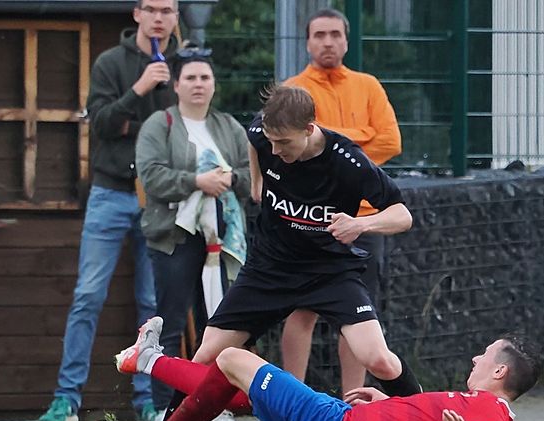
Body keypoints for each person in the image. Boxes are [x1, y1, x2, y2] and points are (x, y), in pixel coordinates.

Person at [156, 85, 421, 404]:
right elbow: (254, 137)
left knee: (377, 358)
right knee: (205, 355)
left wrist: (361, 224)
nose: (275, 150)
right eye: (271, 141)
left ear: (309, 129)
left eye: (283, 143)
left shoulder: (348, 161)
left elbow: (402, 215)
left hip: (329, 272)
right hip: (270, 268)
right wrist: (257, 182)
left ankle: (430, 417)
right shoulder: (264, 135)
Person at [94, 316, 542, 421]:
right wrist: (390, 404)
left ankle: (151, 383)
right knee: (244, 387)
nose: (475, 359)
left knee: (232, 358)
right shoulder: (480, 406)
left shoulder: (489, 412)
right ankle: (148, 377)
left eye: (484, 356)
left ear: (499, 371)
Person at [37, 0, 180, 421]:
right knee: (88, 296)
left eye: (168, 10)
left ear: (176, 17)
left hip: (159, 199)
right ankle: (66, 400)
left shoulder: (183, 67)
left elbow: (179, 131)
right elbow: (99, 124)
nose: (159, 17)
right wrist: (140, 89)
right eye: (152, 9)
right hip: (110, 193)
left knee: (152, 304)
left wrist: (130, 126)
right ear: (137, 14)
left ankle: (148, 401)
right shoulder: (110, 63)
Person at [280, 7, 403, 395]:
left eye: (335, 34)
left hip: (364, 220)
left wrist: (327, 143)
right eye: (320, 35)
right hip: (309, 219)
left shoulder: (368, 86)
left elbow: (390, 141)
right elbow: (292, 151)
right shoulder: (292, 91)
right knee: (301, 309)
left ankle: (354, 402)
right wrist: (357, 140)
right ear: (307, 42)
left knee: (359, 313)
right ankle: (292, 401)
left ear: (347, 41)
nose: (328, 42)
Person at [135, 46, 251, 421]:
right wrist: (197, 181)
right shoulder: (159, 124)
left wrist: (230, 179)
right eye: (190, 78)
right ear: (176, 85)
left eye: (205, 77)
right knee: (169, 322)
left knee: (216, 327)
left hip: (223, 242)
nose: (198, 84)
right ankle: (161, 409)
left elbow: (252, 175)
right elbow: (152, 177)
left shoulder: (229, 127)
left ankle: (210, 410)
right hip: (174, 238)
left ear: (214, 84)